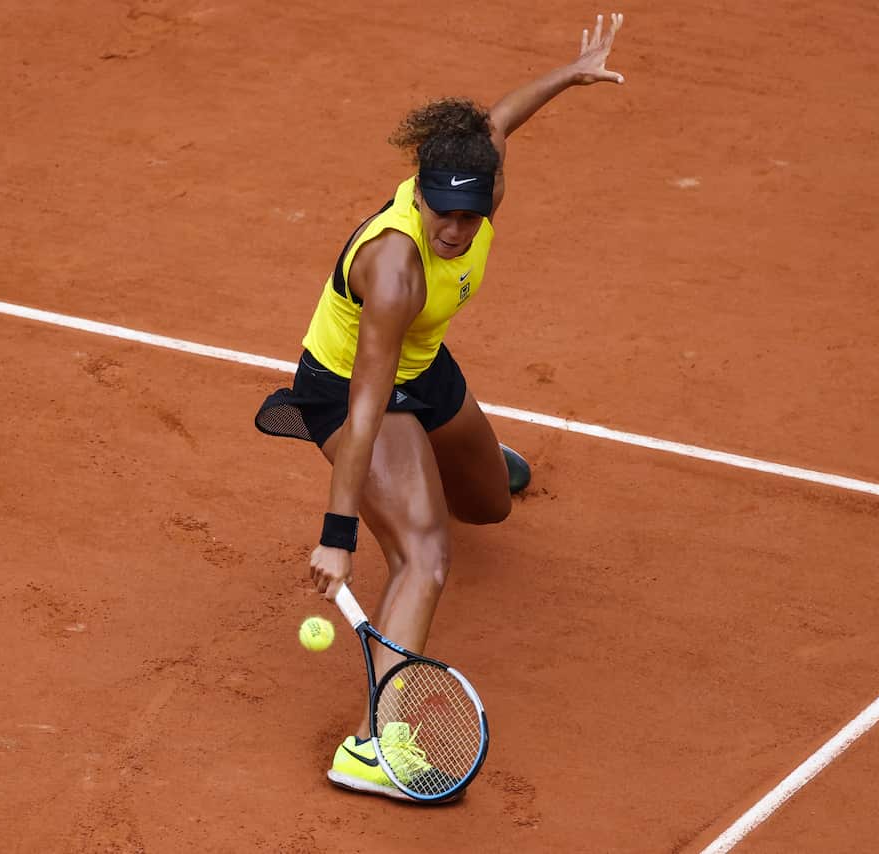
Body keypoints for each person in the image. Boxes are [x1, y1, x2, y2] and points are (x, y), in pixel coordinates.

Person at [255, 12, 626, 800]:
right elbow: (366, 407)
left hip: (426, 371)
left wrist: (569, 73)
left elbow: (497, 120)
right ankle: (373, 747)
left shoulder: (482, 178)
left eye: (469, 213)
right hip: (351, 389)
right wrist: (337, 536)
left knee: (490, 506)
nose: (455, 230)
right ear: (418, 189)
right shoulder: (394, 270)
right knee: (425, 552)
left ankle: (455, 464)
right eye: (441, 211)